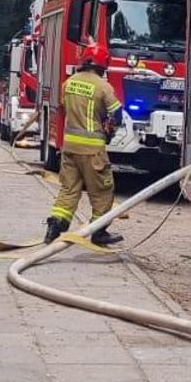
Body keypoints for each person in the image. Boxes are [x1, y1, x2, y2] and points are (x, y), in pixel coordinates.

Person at [45, 45, 124, 246]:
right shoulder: (103, 86)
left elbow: (64, 107)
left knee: (69, 189)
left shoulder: (69, 83)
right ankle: (98, 233)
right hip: (93, 151)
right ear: (103, 64)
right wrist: (109, 132)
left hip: (69, 148)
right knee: (103, 192)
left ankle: (54, 228)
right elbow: (116, 115)